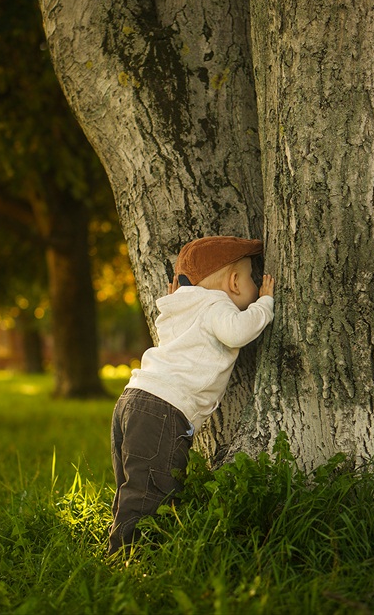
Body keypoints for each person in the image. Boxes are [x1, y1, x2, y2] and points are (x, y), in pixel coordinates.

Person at [108, 236, 275, 556]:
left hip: (133, 400)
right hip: (162, 410)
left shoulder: (178, 308)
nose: (256, 284)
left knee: (132, 488)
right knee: (149, 495)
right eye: (253, 278)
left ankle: (120, 547)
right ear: (235, 282)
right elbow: (237, 332)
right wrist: (265, 303)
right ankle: (133, 560)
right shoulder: (216, 304)